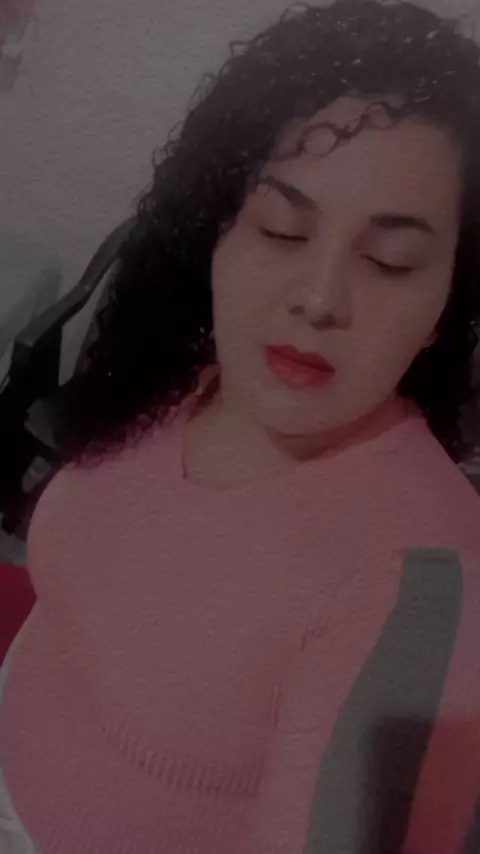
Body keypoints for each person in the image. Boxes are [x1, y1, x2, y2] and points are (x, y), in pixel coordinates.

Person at [2, 0, 480, 851]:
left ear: (446, 303)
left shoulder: (422, 589)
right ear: (215, 232)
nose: (320, 299)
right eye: (281, 229)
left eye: (389, 261)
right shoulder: (187, 380)